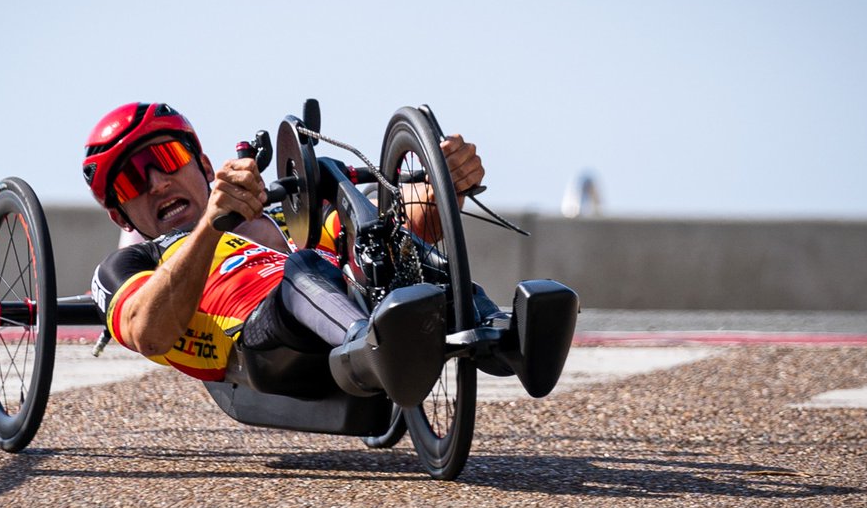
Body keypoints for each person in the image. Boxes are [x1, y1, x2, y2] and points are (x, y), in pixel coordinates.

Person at [85, 101, 552, 408]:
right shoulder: (128, 265)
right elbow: (148, 333)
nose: (155, 183)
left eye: (165, 160)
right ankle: (372, 344)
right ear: (121, 216)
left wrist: (446, 182)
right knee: (304, 266)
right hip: (261, 348)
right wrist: (211, 222)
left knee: (407, 251)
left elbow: (403, 229)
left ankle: (509, 339)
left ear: (202, 165)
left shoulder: (294, 223)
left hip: (342, 306)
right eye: (130, 182)